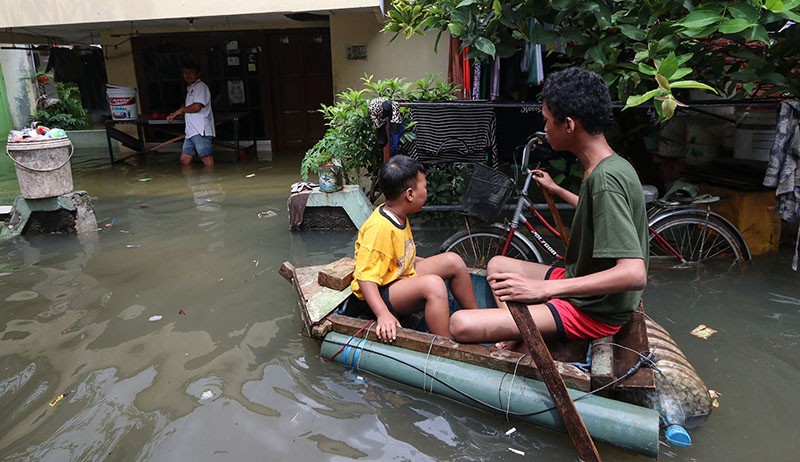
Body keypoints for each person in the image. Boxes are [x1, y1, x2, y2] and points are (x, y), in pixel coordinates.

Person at [449, 67, 649, 348]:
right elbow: (601, 214)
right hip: (580, 280)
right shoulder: (611, 165)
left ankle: (520, 329)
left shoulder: (605, 180)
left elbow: (634, 273)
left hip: (594, 310)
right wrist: (557, 190)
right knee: (497, 265)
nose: (544, 130)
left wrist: (544, 289)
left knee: (460, 324)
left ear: (568, 124)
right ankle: (520, 329)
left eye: (547, 122)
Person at [351, 155, 478, 342]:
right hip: (382, 293)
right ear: (410, 194)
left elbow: (401, 256)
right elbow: (365, 278)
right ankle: (446, 343)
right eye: (425, 187)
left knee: (453, 261)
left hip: (399, 275)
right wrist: (383, 314)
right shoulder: (378, 228)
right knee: (433, 284)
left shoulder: (398, 213)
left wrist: (432, 264)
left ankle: (477, 319)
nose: (426, 191)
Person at [167, 62, 215, 168]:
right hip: (190, 132)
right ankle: (191, 184)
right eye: (185, 72)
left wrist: (181, 110)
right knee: (184, 160)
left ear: (198, 74)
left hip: (200, 131)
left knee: (206, 158)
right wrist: (177, 113)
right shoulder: (191, 88)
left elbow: (197, 107)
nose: (187, 75)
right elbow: (188, 108)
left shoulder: (201, 87)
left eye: (191, 72)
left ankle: (212, 181)